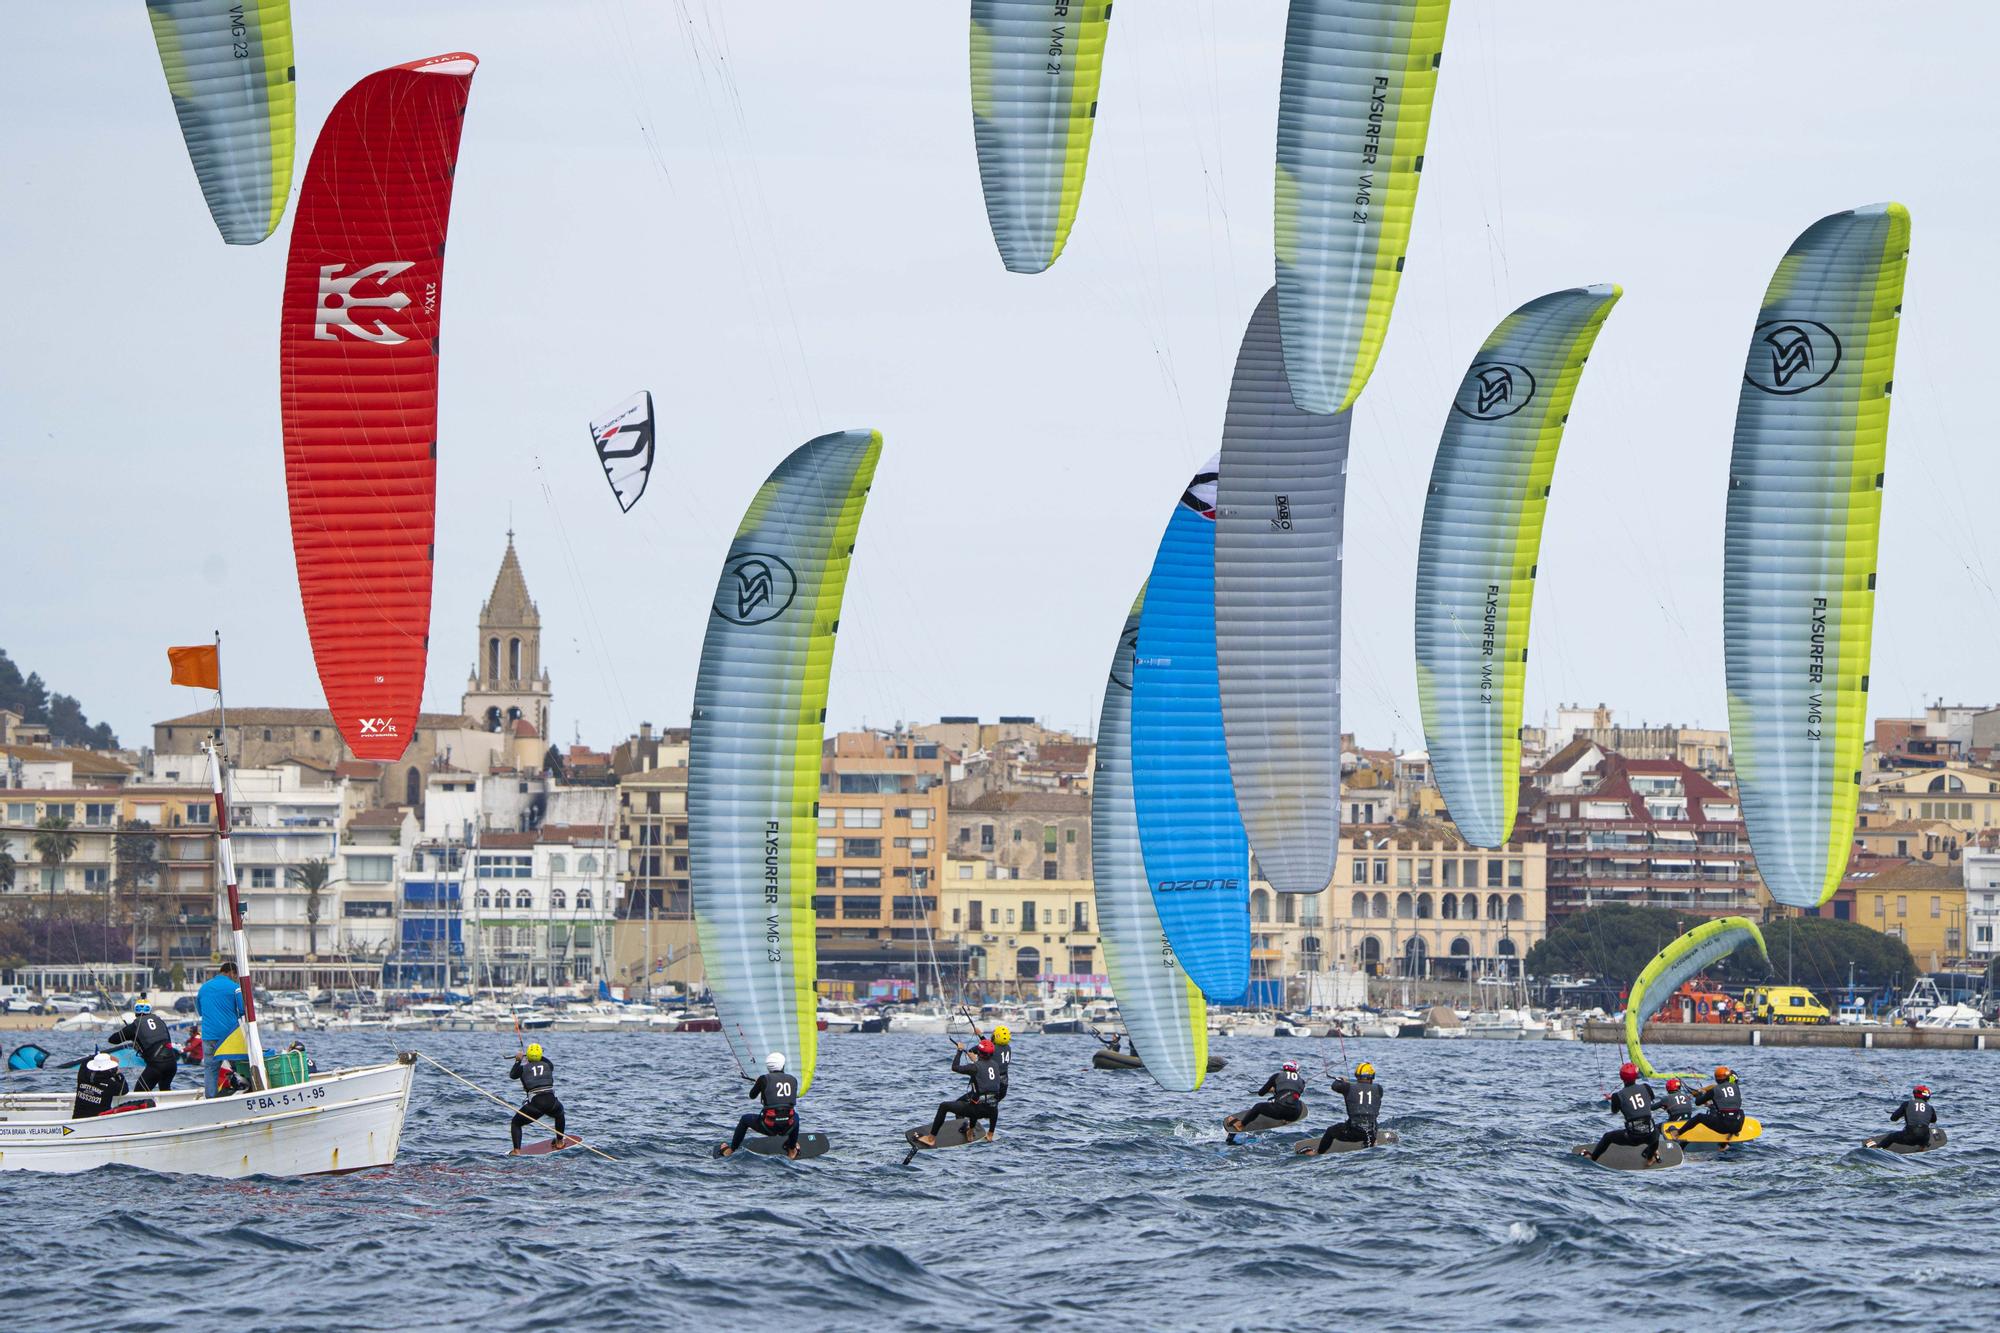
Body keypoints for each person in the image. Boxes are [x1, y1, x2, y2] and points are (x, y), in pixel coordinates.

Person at [916, 1037, 1004, 1146]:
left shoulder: (975, 1067)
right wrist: (976, 1061)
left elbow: (955, 1067)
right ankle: (986, 1133)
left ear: (979, 1053)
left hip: (977, 1110)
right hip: (991, 1112)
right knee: (978, 1100)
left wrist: (959, 1051)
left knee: (944, 1106)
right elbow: (985, 1070)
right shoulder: (996, 1065)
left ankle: (930, 1139)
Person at [721, 1052, 801, 1159]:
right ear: (783, 1065)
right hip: (787, 1127)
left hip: (768, 1127)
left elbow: (752, 1095)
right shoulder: (793, 1080)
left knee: (744, 1119)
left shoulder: (763, 1079)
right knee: (795, 1117)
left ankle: (731, 1150)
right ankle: (792, 1149)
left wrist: (758, 1083)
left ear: (768, 1067)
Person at [1588, 1061, 1662, 1163]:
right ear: (1636, 1075)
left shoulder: (1617, 1096)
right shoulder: (1646, 1087)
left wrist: (1613, 1099)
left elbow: (1615, 1111)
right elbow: (1650, 1099)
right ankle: (1650, 1157)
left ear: (1621, 1078)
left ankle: (1592, 1158)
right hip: (1651, 1135)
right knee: (1655, 1132)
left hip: (1633, 1138)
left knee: (1607, 1137)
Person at [1309, 1061, 1383, 1154]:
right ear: (1372, 1077)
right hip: (1371, 1132)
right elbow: (1365, 1090)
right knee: (1372, 1121)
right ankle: (1371, 1142)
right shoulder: (1379, 1089)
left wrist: (1340, 1080)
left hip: (1354, 1132)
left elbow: (1335, 1086)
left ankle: (1319, 1153)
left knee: (1330, 1131)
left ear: (1357, 1076)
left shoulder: (1347, 1087)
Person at [198, 961, 246, 1098]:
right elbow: (243, 1010)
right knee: (239, 1066)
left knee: (211, 1069)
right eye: (235, 976)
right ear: (231, 973)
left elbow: (200, 1012)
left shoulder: (203, 988)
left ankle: (211, 1099)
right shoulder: (235, 988)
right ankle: (246, 1092)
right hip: (229, 1036)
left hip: (208, 1035)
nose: (236, 978)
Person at [507, 1042, 566, 1153]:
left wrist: (518, 1060)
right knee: (560, 1113)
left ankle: (516, 1150)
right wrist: (537, 1054)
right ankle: (559, 1142)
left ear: (527, 1056)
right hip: (552, 1102)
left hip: (535, 1105)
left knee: (516, 1123)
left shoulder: (523, 1068)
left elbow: (512, 1075)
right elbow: (545, 1060)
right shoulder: (549, 1066)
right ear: (540, 1055)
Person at [108, 1002, 179, 1093]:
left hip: (156, 1066)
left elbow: (113, 1040)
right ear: (150, 1011)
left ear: (135, 1012)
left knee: (139, 1093)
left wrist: (130, 1034)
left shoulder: (134, 1026)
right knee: (165, 1090)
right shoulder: (160, 1021)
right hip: (172, 1064)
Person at [1227, 1060, 1308, 1134]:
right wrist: (1277, 1090)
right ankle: (1286, 1120)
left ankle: (1241, 1125)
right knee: (1296, 1100)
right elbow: (1291, 1092)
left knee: (1258, 1106)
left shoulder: (1277, 1076)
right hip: (1295, 1114)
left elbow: (1261, 1093)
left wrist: (1272, 1089)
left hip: (1280, 1111)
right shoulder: (1302, 1081)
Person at [1686, 1065, 1745, 1138]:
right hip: (1735, 1121)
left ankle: (1678, 1133)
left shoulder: (1717, 1088)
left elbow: (1700, 1100)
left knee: (1707, 1112)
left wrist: (1701, 1094)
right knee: (1738, 1111)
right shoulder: (1734, 1086)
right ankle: (1734, 1131)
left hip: (1723, 1122)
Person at [1878, 1084, 1940, 1150]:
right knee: (1923, 1134)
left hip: (1910, 1137)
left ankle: (1877, 1148)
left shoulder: (1907, 1104)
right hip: (1924, 1138)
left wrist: (1903, 1113)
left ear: (1915, 1094)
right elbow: (1933, 1120)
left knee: (1891, 1137)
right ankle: (1922, 1147)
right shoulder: (1930, 1108)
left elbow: (1893, 1118)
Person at [72, 1051, 128, 1119]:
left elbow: (85, 1062)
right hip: (99, 1122)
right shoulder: (110, 1084)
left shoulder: (82, 1075)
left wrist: (99, 1056)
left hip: (77, 1118)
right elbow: (124, 1090)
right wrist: (118, 1074)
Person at [991, 1024, 1013, 1102]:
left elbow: (987, 1046)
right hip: (1003, 1090)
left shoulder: (993, 1048)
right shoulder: (1008, 1048)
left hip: (993, 1087)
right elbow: (989, 1045)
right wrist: (980, 1035)